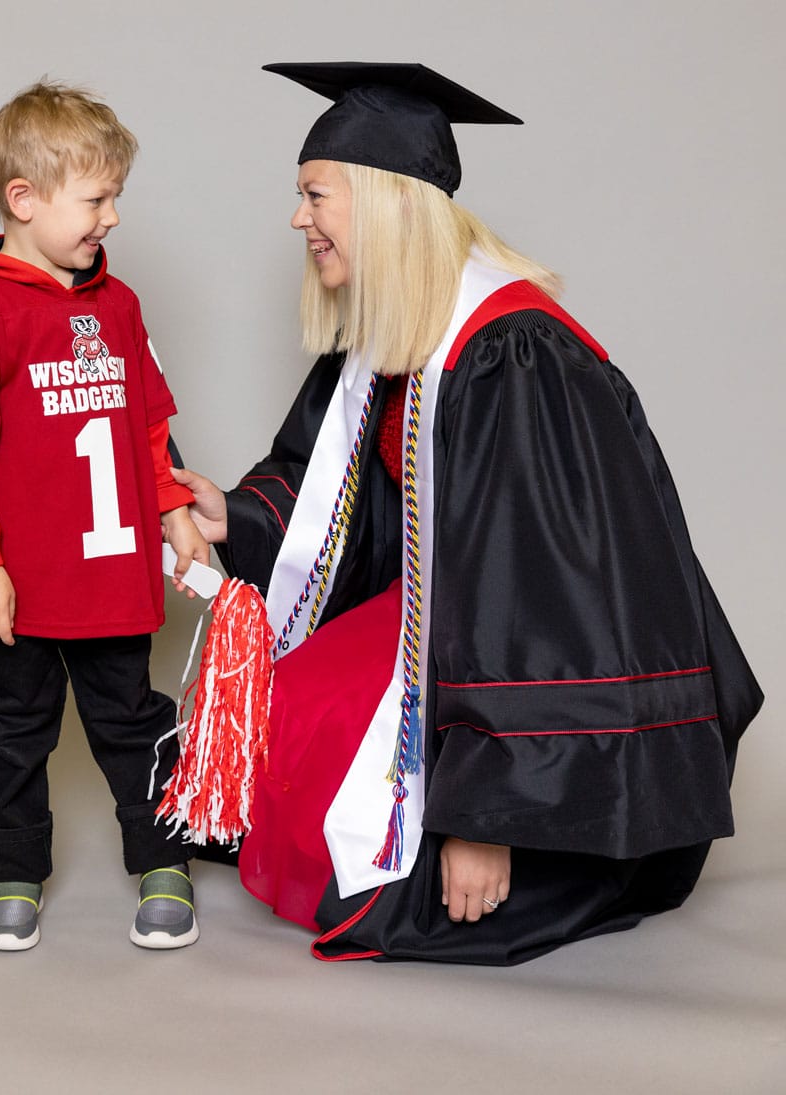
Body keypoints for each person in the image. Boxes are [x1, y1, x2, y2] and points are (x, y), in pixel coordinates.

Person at [173, 62, 764, 964]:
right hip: (451, 617)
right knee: (298, 703)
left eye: (314, 195)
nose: (298, 218)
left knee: (349, 774)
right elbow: (325, 477)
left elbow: (532, 592)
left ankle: (526, 843)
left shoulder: (511, 354)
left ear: (383, 201)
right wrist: (237, 516)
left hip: (550, 661)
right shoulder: (393, 323)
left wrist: (484, 812)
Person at [0, 80, 207, 951]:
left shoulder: (116, 307)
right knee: (12, 732)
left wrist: (176, 511)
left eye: (115, 196)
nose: (112, 217)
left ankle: (163, 860)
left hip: (111, 576)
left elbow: (149, 424)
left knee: (132, 722)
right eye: (96, 199)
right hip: (18, 585)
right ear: (25, 199)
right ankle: (12, 869)